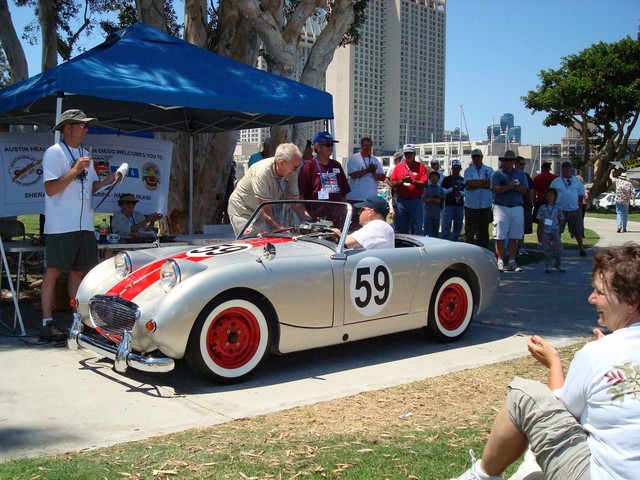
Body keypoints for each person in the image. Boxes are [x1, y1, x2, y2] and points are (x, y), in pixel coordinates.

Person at [450, 242, 640, 480]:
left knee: (523, 395)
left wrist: (554, 365)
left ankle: (480, 476)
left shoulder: (598, 353)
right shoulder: (606, 350)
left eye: (600, 292)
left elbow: (561, 417)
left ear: (631, 302)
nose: (591, 298)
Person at [40, 109, 119, 341]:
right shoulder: (54, 153)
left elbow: (91, 187)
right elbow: (51, 189)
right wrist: (75, 170)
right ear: (67, 128)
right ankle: (47, 323)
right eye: (81, 126)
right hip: (61, 225)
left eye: (86, 126)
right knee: (53, 271)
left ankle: (77, 321)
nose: (86, 130)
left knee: (79, 273)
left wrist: (108, 180)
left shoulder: (85, 153)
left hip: (85, 224)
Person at [227, 143, 305, 236]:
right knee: (252, 242)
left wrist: (308, 221)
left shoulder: (291, 172)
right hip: (243, 210)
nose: (296, 170)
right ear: (281, 163)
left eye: (299, 166)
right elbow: (267, 214)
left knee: (266, 240)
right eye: (295, 167)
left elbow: (295, 203)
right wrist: (283, 231)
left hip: (259, 210)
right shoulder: (262, 173)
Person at [298, 131, 350, 225]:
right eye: (327, 145)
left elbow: (343, 193)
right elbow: (301, 195)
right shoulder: (309, 166)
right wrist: (306, 217)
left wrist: (344, 214)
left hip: (337, 220)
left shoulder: (336, 165)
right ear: (317, 147)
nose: (330, 147)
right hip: (315, 220)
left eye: (331, 145)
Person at [491, 150, 528, 272]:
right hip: (501, 207)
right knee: (500, 235)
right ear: (503, 161)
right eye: (506, 160)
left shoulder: (521, 174)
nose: (508, 162)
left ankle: (512, 261)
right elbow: (495, 189)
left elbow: (524, 190)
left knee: (515, 236)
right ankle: (500, 260)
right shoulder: (497, 174)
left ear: (514, 162)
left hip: (517, 207)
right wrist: (509, 186)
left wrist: (514, 186)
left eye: (511, 160)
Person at [389, 144, 427, 235]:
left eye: (410, 153)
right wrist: (402, 181)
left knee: (417, 227)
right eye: (406, 153)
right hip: (401, 201)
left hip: (416, 201)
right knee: (401, 228)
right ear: (403, 155)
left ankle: (417, 248)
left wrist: (412, 181)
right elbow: (392, 183)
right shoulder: (398, 167)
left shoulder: (421, 166)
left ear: (414, 154)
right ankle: (403, 248)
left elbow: (424, 184)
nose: (408, 155)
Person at [550, 162, 587, 256]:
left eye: (567, 169)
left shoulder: (577, 181)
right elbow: (551, 195)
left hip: (574, 209)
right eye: (564, 169)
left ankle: (581, 248)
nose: (565, 170)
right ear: (561, 170)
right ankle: (555, 249)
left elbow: (580, 195)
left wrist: (579, 207)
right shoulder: (556, 181)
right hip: (559, 210)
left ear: (571, 170)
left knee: (577, 230)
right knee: (557, 231)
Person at [463, 149, 494, 249]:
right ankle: (469, 250)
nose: (476, 158)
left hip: (485, 205)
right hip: (471, 206)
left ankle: (483, 250)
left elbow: (490, 184)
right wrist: (483, 182)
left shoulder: (489, 170)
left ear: (482, 157)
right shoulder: (468, 170)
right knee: (469, 231)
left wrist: (476, 184)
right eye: (474, 156)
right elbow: (469, 184)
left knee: (484, 231)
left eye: (478, 156)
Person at [346, 137, 386, 202]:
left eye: (370, 146)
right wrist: (368, 170)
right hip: (355, 198)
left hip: (371, 198)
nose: (368, 147)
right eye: (365, 145)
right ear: (361, 146)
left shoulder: (375, 160)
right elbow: (353, 175)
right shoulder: (354, 158)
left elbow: (383, 177)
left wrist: (374, 173)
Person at [536, 188, 565, 273]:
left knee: (558, 248)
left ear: (555, 197)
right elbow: (540, 219)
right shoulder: (542, 207)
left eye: (551, 195)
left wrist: (559, 228)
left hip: (555, 230)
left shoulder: (557, 208)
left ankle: (558, 264)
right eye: (547, 195)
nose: (549, 197)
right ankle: (548, 265)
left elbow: (561, 218)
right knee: (546, 248)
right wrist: (541, 229)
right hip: (545, 230)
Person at [532, 162, 557, 248]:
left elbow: (534, 191)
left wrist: (533, 202)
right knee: (549, 223)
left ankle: (540, 242)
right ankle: (548, 242)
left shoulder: (537, 178)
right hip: (550, 203)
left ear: (542, 168)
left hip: (539, 202)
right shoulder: (554, 178)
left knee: (540, 224)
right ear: (549, 168)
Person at [441, 159, 465, 241]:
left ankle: (454, 241)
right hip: (449, 205)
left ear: (460, 169)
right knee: (446, 226)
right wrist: (451, 189)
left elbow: (467, 192)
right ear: (452, 168)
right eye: (454, 167)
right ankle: (444, 242)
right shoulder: (447, 179)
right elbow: (442, 191)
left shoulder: (463, 180)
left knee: (458, 226)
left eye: (458, 167)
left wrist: (460, 193)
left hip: (460, 206)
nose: (456, 169)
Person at [515, 156, 534, 257]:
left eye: (524, 164)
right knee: (514, 227)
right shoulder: (512, 175)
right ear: (516, 164)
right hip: (516, 205)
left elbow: (530, 190)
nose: (522, 166)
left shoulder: (526, 175)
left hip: (526, 205)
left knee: (522, 227)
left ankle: (521, 248)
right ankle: (512, 249)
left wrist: (531, 203)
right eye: (520, 164)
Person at [609, 169, 635, 233]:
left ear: (621, 177)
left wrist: (611, 172)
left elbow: (611, 177)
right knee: (625, 214)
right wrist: (633, 201)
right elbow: (633, 193)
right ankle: (624, 228)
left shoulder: (618, 181)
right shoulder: (629, 184)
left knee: (619, 213)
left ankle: (619, 226)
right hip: (626, 201)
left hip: (618, 200)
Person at [423, 170, 444, 238]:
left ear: (438, 178)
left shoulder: (440, 189)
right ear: (429, 178)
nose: (434, 178)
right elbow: (423, 199)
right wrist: (433, 200)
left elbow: (443, 200)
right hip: (428, 214)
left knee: (435, 233)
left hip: (436, 214)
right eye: (432, 176)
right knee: (427, 234)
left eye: (436, 176)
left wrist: (439, 199)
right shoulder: (426, 188)